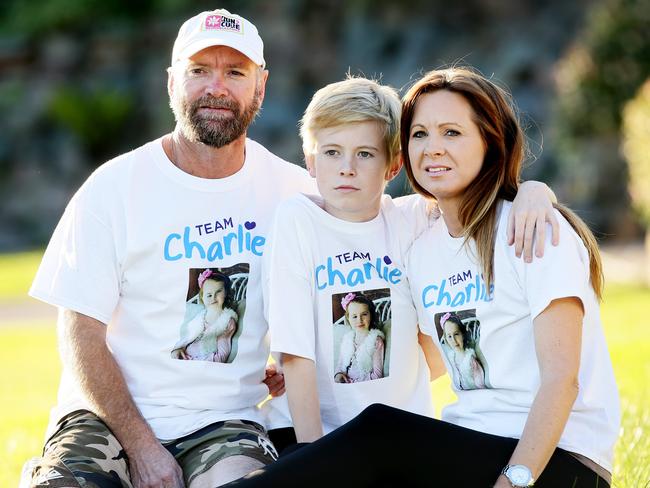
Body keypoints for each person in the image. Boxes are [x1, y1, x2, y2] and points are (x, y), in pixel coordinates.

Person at [220, 67, 619, 488]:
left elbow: (563, 380)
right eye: (420, 134)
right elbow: (426, 354)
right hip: (470, 443)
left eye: (452, 133)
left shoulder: (534, 230)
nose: (433, 149)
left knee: (380, 432)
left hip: (553, 460)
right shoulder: (426, 241)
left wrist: (514, 481)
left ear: (490, 142)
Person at [26, 9, 314, 488]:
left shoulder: (295, 194)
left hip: (225, 422)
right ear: (172, 81)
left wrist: (289, 360)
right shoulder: (114, 187)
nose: (216, 87)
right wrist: (142, 447)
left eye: (235, 72)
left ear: (260, 86)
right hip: (104, 418)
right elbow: (80, 331)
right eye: (199, 70)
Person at [262, 76, 558, 445]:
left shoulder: (414, 219)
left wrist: (533, 190)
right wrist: (311, 457)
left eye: (365, 154)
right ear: (310, 160)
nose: (347, 168)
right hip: (307, 431)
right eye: (332, 152)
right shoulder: (297, 220)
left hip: (400, 435)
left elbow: (480, 197)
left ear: (394, 166)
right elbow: (295, 355)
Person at [171, 269, 238, 363]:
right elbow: (186, 338)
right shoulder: (200, 317)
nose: (213, 297)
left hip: (200, 363)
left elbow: (221, 356)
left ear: (226, 293)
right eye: (209, 294)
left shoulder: (226, 322)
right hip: (185, 356)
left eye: (218, 291)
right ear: (202, 297)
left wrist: (194, 362)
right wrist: (177, 350)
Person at [334, 293, 385, 383]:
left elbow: (377, 375)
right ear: (348, 318)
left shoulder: (376, 341)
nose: (359, 320)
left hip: (364, 386)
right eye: (354, 316)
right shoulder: (346, 340)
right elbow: (340, 365)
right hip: (345, 384)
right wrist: (338, 375)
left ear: (371, 315)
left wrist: (353, 383)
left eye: (364, 314)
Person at [439, 312, 486, 390]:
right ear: (446, 338)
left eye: (456, 334)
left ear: (463, 334)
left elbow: (480, 384)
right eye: (449, 336)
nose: (453, 340)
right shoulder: (451, 357)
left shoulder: (470, 359)